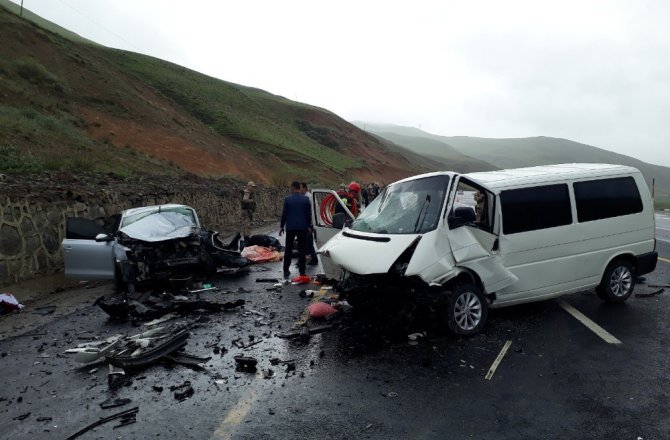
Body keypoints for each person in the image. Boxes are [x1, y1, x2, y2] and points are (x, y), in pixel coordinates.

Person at [280, 181, 312, 277]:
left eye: (291, 188)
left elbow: (284, 214)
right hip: (302, 227)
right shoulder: (306, 199)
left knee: (288, 249)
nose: (290, 190)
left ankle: (286, 270)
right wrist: (309, 226)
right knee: (302, 249)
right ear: (299, 188)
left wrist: (282, 226)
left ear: (293, 188)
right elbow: (308, 215)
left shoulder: (288, 199)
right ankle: (302, 271)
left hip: (290, 227)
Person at [300, 182, 319, 265]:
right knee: (305, 242)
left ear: (304, 188)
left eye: (300, 188)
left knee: (308, 242)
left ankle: (314, 259)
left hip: (308, 224)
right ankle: (305, 259)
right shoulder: (308, 196)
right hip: (308, 223)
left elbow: (309, 212)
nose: (299, 190)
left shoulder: (307, 197)